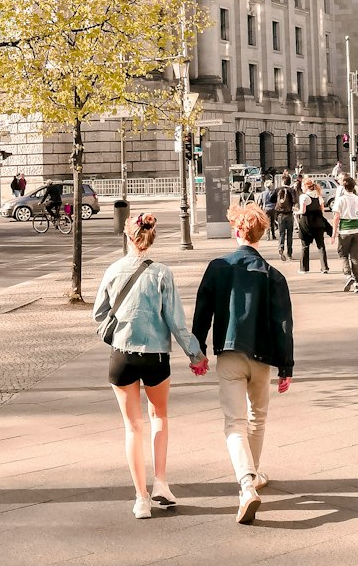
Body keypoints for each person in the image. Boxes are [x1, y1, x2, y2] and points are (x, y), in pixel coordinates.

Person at [93, 211, 206, 520]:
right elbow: (175, 321)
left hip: (123, 355)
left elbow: (99, 314)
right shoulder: (162, 274)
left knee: (132, 427)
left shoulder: (113, 270)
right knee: (159, 418)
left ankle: (141, 498)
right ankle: (162, 483)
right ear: (151, 238)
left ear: (128, 236)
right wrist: (195, 354)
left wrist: (118, 336)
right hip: (155, 357)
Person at [192, 202, 294, 526]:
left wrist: (198, 351)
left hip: (230, 355)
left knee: (234, 423)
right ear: (262, 234)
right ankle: (253, 474)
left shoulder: (218, 267)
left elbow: (202, 313)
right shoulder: (274, 275)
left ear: (237, 231)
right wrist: (286, 368)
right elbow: (283, 324)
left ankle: (246, 484)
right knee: (257, 419)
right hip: (262, 360)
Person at [331, 174, 358, 293]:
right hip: (357, 230)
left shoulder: (341, 200)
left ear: (343, 188)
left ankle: (348, 275)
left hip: (345, 230)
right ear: (354, 187)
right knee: (355, 256)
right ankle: (357, 282)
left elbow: (336, 217)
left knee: (343, 254)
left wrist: (333, 233)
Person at [297, 176, 330, 273]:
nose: (302, 187)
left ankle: (304, 268)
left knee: (305, 246)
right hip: (318, 223)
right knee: (321, 245)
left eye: (302, 185)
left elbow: (303, 211)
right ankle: (324, 267)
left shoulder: (303, 197)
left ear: (306, 186)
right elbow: (322, 210)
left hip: (307, 223)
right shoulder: (318, 196)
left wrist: (296, 212)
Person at [273, 173, 296, 262]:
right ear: (289, 182)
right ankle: (289, 254)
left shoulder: (278, 190)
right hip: (289, 214)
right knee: (290, 234)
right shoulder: (291, 190)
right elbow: (294, 201)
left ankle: (281, 248)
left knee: (281, 233)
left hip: (280, 215)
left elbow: (271, 199)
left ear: (282, 181)